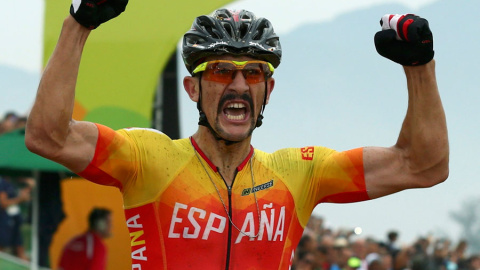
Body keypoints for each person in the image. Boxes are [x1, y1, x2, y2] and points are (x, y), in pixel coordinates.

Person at [25, 1, 449, 269]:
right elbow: (48, 136)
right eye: (222, 71)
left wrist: (420, 67)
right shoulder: (147, 157)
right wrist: (78, 25)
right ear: (193, 88)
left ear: (269, 89)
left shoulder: (301, 172)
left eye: (254, 73)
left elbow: (424, 166)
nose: (239, 86)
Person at [0, 176, 34, 261]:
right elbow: (3, 203)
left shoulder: (13, 183)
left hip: (15, 221)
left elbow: (24, 194)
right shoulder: (3, 183)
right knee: (2, 249)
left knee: (20, 249)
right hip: (4, 221)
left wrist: (30, 187)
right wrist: (20, 199)